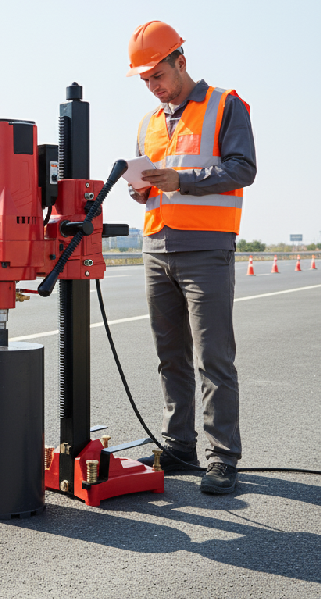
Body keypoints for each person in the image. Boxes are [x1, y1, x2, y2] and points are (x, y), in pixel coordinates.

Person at [126, 22, 256, 494]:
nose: (153, 87)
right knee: (170, 355)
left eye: (157, 75)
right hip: (157, 246)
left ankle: (223, 457)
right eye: (145, 81)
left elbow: (242, 168)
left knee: (214, 357)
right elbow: (152, 183)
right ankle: (179, 445)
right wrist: (143, 190)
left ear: (180, 61)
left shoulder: (226, 104)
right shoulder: (149, 122)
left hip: (206, 248)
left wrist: (182, 181)